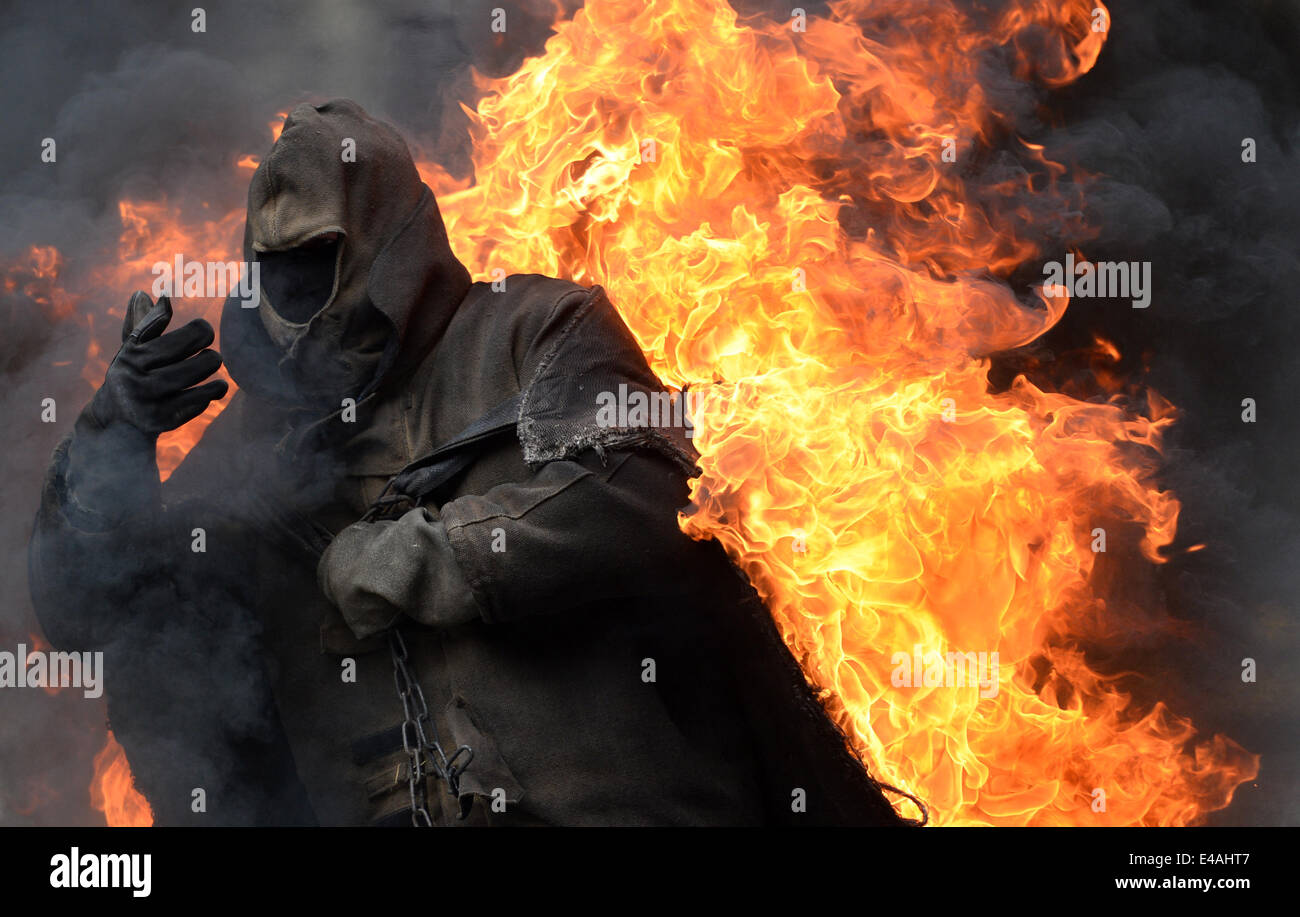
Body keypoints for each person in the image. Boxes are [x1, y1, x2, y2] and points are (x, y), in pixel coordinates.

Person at [29, 99, 911, 827]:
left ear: (388, 243)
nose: (299, 297)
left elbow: (634, 498)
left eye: (318, 261)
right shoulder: (259, 444)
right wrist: (114, 434)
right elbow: (99, 613)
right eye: (279, 272)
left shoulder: (534, 332)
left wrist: (427, 555)